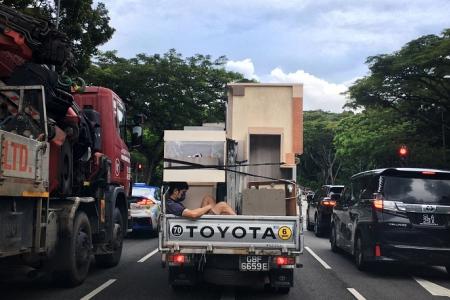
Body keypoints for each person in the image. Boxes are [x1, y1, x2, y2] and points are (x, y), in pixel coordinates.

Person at [165, 182, 236, 219]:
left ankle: (218, 214)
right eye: (183, 192)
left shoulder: (174, 202)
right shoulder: (171, 204)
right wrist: (209, 207)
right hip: (196, 222)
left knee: (208, 198)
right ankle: (241, 223)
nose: (184, 195)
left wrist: (209, 207)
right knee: (222, 205)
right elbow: (193, 214)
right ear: (175, 191)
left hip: (195, 219)